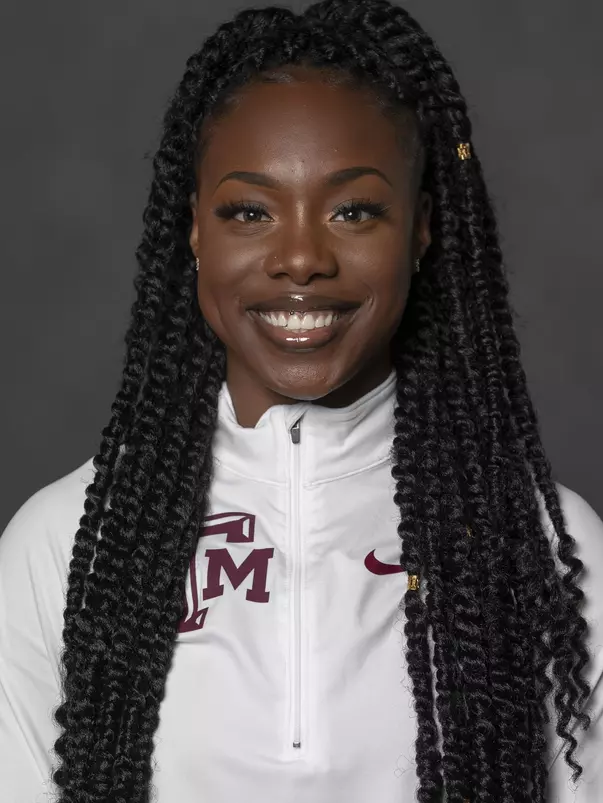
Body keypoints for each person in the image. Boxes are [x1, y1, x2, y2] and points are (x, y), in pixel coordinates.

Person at [0, 0, 601, 801]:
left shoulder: (535, 544)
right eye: (249, 211)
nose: (300, 258)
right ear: (194, 232)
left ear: (419, 231)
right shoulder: (68, 541)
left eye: (354, 210)